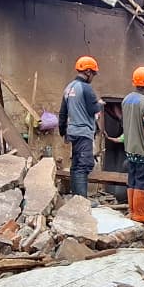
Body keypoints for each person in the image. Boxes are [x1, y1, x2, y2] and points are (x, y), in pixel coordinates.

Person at [58, 56, 102, 198]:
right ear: (88, 72)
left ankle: (76, 199)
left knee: (76, 165)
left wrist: (63, 131)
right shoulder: (86, 88)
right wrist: (100, 104)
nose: (93, 77)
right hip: (83, 132)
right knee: (84, 166)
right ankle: (81, 201)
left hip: (72, 132)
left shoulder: (69, 88)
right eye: (93, 74)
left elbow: (63, 112)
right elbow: (92, 110)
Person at [121, 66, 144, 224]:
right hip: (143, 149)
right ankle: (140, 213)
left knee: (132, 179)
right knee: (142, 181)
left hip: (129, 147)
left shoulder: (126, 100)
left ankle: (132, 211)